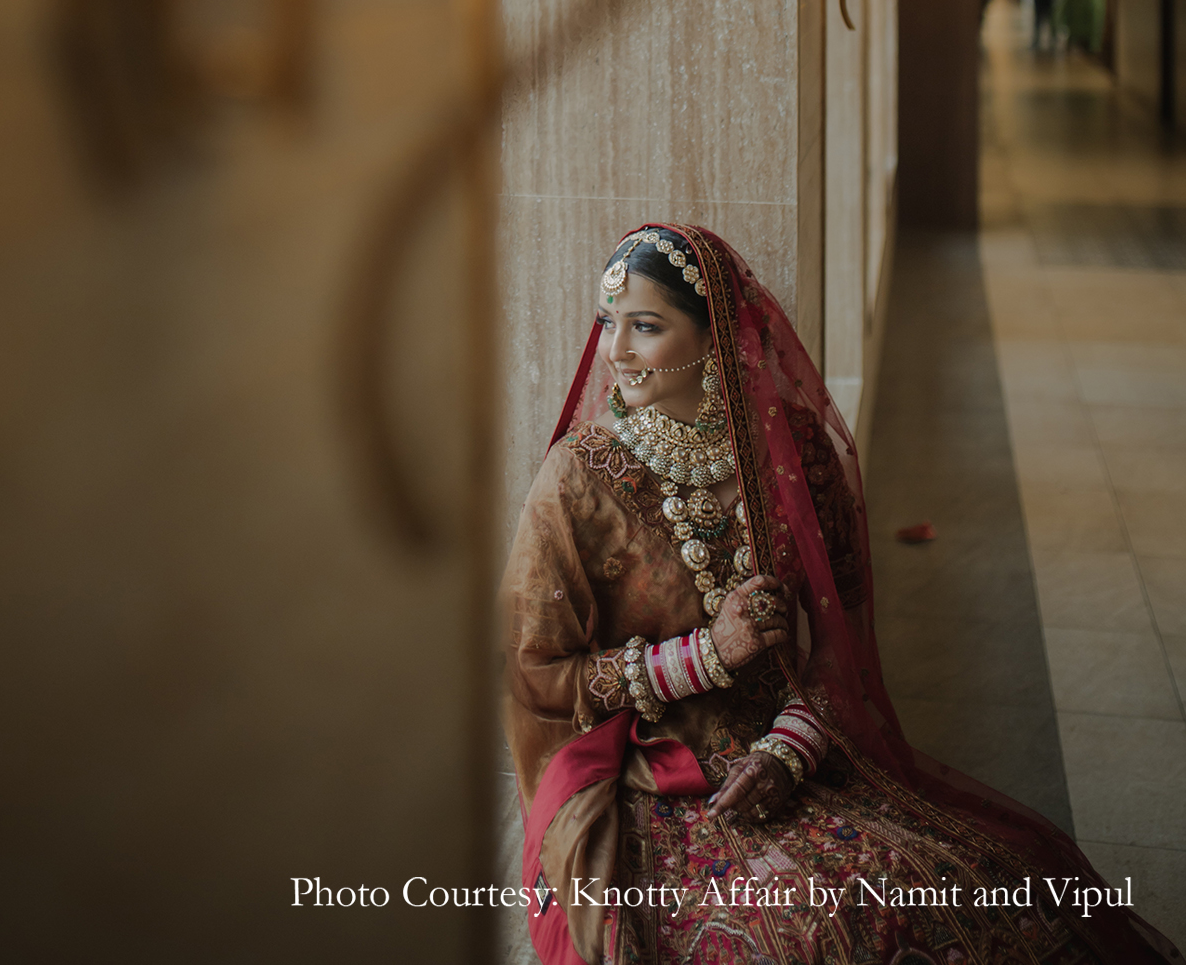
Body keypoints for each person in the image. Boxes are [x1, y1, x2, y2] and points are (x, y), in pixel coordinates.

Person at [502, 224, 1179, 965]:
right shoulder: (579, 479)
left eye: (645, 326)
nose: (615, 351)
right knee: (795, 936)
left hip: (795, 740)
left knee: (971, 890)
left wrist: (791, 749)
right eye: (608, 323)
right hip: (653, 770)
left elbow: (841, 638)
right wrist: (706, 655)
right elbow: (535, 674)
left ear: (714, 333)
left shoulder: (791, 449)